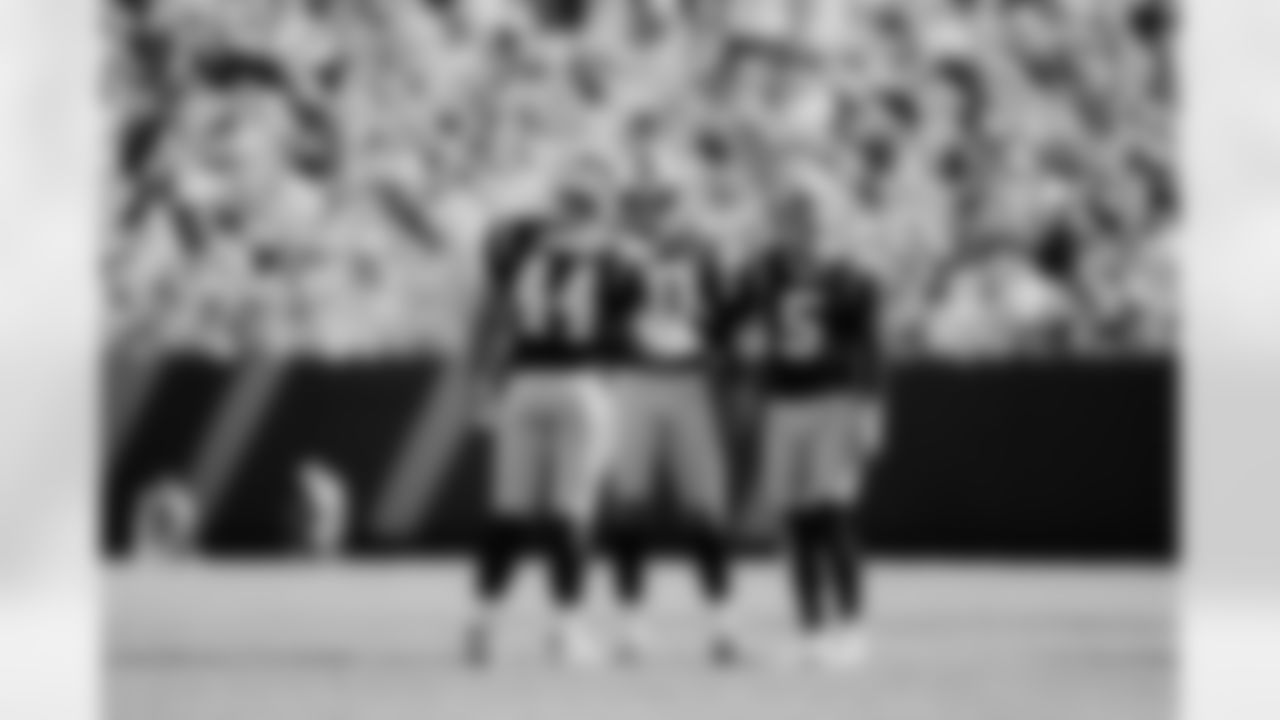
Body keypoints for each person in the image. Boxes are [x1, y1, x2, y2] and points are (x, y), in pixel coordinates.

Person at [462, 194, 621, 668]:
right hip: (580, 381)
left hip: (525, 382)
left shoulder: (518, 250)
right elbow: (630, 325)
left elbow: (489, 318)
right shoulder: (610, 257)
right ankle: (564, 629)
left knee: (509, 512)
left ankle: (483, 623)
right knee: (570, 513)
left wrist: (479, 384)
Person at [738, 193, 888, 670]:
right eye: (793, 218)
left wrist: (870, 408)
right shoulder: (766, 272)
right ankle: (811, 632)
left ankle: (852, 630)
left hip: (834, 398)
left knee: (833, 514)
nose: (801, 228)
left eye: (810, 218)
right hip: (785, 401)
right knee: (797, 520)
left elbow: (869, 347)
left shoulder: (851, 275)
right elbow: (740, 321)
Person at [599, 186, 743, 665]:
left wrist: (715, 350)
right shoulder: (616, 259)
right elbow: (598, 318)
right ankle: (631, 626)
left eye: (660, 206)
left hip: (690, 382)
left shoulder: (704, 255)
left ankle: (721, 627)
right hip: (635, 380)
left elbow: (728, 320)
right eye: (643, 207)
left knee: (707, 510)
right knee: (629, 507)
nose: (652, 216)